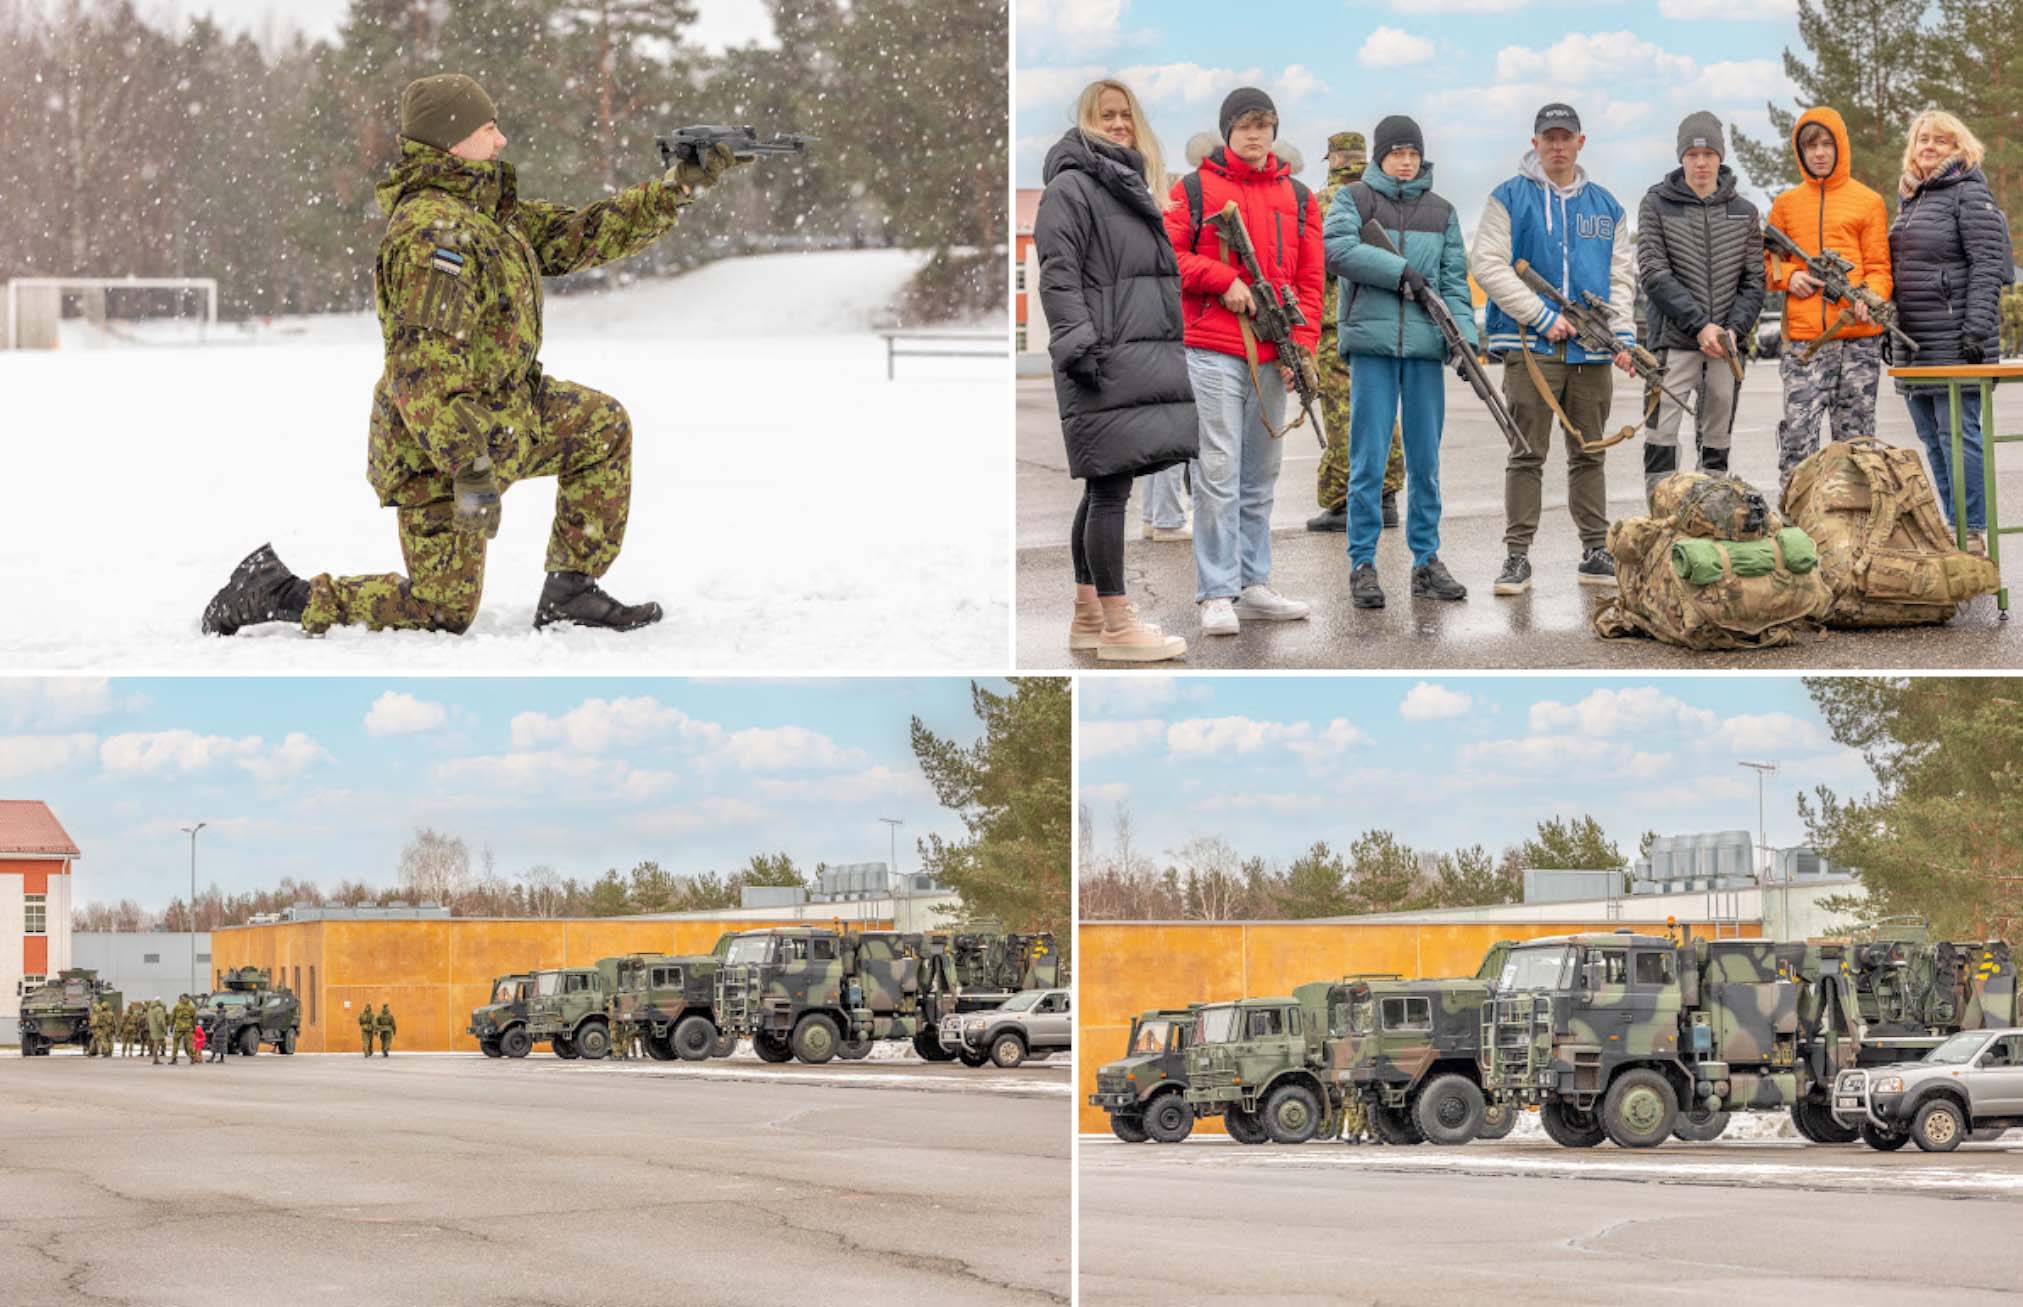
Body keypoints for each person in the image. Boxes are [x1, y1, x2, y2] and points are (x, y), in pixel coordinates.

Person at [200, 72, 753, 639]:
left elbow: (582, 234)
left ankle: (572, 592)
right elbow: (419, 375)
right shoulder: (433, 235)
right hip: (438, 447)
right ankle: (276, 592)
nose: (501, 140)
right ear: (452, 138)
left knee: (601, 427)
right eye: (489, 128)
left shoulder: (489, 212)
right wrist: (472, 467)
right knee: (442, 611)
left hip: (508, 417)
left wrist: (676, 188)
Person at [1039, 78, 1195, 661]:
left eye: (1126, 115)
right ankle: (1118, 625)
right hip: (1102, 356)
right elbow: (1059, 273)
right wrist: (1080, 347)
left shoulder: (1127, 187)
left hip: (1129, 352)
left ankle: (1088, 616)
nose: (1119, 124)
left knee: (1107, 483)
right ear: (1086, 121)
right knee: (1110, 491)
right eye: (1106, 116)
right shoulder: (1073, 188)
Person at [1165, 87, 1321, 636]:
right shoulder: (1194, 189)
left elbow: (1309, 280)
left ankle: (1254, 585)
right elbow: (1170, 256)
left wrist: (1301, 346)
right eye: (1245, 125)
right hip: (1211, 349)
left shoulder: (1300, 198)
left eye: (1265, 125)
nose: (1255, 135)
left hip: (1271, 354)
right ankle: (1216, 591)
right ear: (1228, 131)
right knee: (1217, 470)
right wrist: (1224, 277)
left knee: (1261, 476)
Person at [1472, 102, 1637, 596]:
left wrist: (1622, 337)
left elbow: (1620, 277)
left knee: (1589, 453)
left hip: (1592, 351)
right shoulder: (1508, 198)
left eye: (1567, 137)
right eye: (1550, 137)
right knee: (1527, 453)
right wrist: (1541, 316)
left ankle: (1595, 549)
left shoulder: (1608, 207)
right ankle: (1517, 556)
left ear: (1581, 142)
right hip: (1530, 349)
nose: (1558, 146)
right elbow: (1488, 265)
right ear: (1535, 142)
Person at [1322, 114, 1476, 607]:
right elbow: (1338, 250)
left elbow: (1454, 281)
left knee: (1426, 463)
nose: (1406, 162)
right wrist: (1400, 271)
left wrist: (1465, 341)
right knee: (1367, 460)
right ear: (1379, 156)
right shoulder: (1353, 199)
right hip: (1373, 348)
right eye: (1396, 153)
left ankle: (1426, 560)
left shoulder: (1443, 211)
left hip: (1426, 350)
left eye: (1413, 153)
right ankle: (1362, 562)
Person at [1889, 109, 2012, 556]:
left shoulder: (1967, 193)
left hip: (1957, 339)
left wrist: (1977, 329)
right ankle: (1954, 524)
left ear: (1958, 148)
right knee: (1931, 439)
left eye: (1940, 140)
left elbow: (1987, 265)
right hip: (1915, 344)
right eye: (1923, 138)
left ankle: (1973, 530)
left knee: (1960, 435)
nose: (1929, 146)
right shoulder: (1912, 197)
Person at [1636, 113, 1765, 500]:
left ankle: (1712, 511)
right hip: (1672, 342)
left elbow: (1754, 281)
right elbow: (1654, 272)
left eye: (1709, 153)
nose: (1701, 162)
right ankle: (1661, 515)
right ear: (1682, 158)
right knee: (1661, 435)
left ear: (1720, 157)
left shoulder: (1744, 212)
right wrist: (1698, 325)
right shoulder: (1656, 204)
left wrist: (1732, 331)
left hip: (1725, 345)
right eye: (1693, 154)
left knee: (1717, 435)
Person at [1763, 107, 1892, 494]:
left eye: (1825, 144)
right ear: (1800, 153)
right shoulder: (1785, 205)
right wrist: (1791, 277)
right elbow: (1765, 262)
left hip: (1858, 343)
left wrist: (1870, 296)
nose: (1819, 153)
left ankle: (1857, 532)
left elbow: (1879, 268)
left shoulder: (1868, 202)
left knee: (1856, 444)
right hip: (1804, 345)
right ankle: (1795, 531)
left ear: (1840, 146)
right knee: (1798, 439)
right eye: (1809, 146)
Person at [1309, 129, 1406, 536]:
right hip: (1381, 321)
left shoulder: (1320, 204)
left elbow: (1312, 265)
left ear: (1332, 160)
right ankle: (1385, 496)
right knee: (1382, 408)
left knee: (1344, 413)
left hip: (1336, 324)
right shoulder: (1382, 199)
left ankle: (1347, 500)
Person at [169, 994, 197, 1066]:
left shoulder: (177, 1006)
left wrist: (171, 1026)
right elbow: (194, 1019)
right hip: (188, 1027)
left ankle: (174, 1059)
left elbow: (172, 1017)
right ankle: (192, 1058)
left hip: (179, 1027)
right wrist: (194, 1028)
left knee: (176, 1043)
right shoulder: (192, 1006)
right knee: (189, 1043)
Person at [145, 998, 167, 1066]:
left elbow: (147, 1020)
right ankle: (155, 1059)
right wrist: (164, 1029)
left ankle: (155, 1059)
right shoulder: (159, 1010)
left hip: (152, 1028)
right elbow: (160, 1021)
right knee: (156, 1044)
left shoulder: (149, 1009)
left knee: (155, 1043)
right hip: (158, 1029)